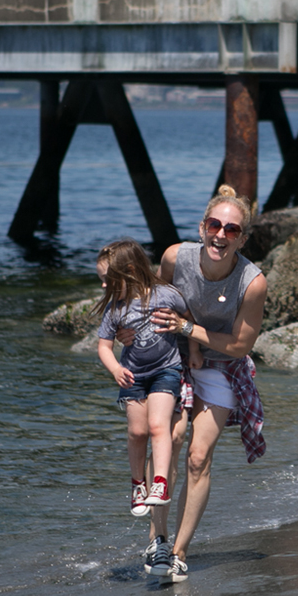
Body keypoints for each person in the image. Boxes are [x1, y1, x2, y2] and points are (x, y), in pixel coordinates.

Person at [147, 185, 268, 583]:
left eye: (231, 230)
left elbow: (239, 345)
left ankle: (180, 552)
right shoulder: (174, 258)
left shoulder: (251, 282)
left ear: (242, 239)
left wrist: (190, 330)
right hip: (175, 358)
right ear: (202, 228)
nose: (221, 235)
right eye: (215, 225)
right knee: (172, 438)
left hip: (224, 365)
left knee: (199, 457)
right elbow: (153, 302)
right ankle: (158, 540)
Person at [94, 240, 197, 573]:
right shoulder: (116, 309)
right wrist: (114, 369)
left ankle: (160, 483)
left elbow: (188, 317)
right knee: (137, 431)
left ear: (130, 271)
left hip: (168, 371)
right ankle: (138, 484)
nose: (104, 286)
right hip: (134, 376)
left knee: (159, 428)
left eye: (109, 280)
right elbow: (104, 345)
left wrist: (193, 349)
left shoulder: (165, 295)